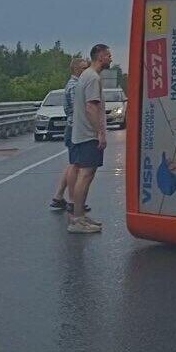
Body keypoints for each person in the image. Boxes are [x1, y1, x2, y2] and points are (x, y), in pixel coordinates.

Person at [68, 43, 112, 234]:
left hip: (82, 133)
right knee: (85, 175)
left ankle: (80, 217)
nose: (111, 58)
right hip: (88, 135)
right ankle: (77, 219)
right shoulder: (93, 78)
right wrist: (100, 132)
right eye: (108, 55)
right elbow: (91, 108)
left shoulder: (85, 76)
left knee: (86, 174)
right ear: (100, 56)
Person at [50, 57, 89, 211]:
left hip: (72, 128)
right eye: (83, 69)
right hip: (75, 128)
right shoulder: (75, 86)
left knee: (74, 163)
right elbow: (79, 108)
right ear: (76, 70)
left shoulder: (76, 84)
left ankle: (59, 196)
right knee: (76, 165)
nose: (86, 71)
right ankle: (73, 201)